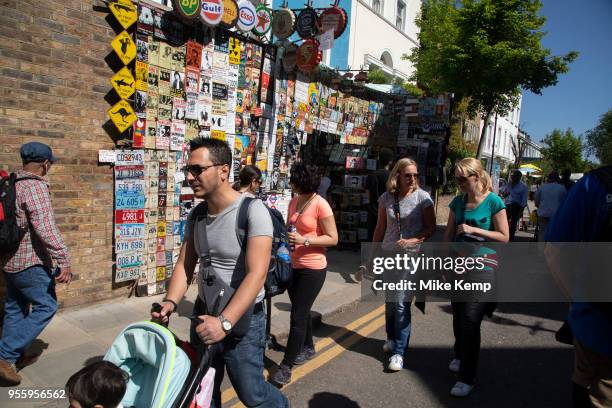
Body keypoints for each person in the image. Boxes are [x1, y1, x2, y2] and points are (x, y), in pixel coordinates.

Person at [151, 138, 288, 407]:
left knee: (253, 395)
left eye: (197, 169)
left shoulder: (252, 211)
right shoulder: (197, 215)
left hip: (244, 320)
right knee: (202, 392)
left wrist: (224, 323)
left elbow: (257, 274)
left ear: (223, 171)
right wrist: (170, 302)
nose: (190, 177)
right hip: (204, 315)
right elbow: (184, 265)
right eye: (188, 170)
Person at [0, 142, 72, 385]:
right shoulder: (34, 187)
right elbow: (46, 228)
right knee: (46, 307)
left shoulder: (12, 183)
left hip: (9, 261)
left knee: (15, 307)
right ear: (45, 164)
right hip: (30, 262)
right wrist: (63, 258)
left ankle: (11, 357)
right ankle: (5, 354)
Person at [544, 165, 612, 408]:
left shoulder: (596, 183)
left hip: (598, 322)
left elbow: (555, 249)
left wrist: (577, 296)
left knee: (595, 390)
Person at [444, 157, 509, 397]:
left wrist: (474, 229)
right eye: (456, 178)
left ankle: (466, 378)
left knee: (471, 321)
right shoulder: (457, 202)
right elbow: (448, 235)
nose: (459, 183)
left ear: (477, 176)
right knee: (459, 316)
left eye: (463, 178)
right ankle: (460, 354)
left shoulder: (494, 202)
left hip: (483, 268)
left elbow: (504, 236)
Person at [271, 162, 338, 386]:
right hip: (292, 265)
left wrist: (305, 240)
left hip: (313, 268)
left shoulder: (321, 205)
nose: (289, 181)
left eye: (292, 178)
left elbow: (333, 238)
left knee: (297, 316)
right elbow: (290, 229)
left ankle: (287, 366)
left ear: (302, 180)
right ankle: (308, 346)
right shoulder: (294, 200)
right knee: (303, 311)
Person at [372, 158, 436, 371]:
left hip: (411, 257)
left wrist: (412, 240)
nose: (412, 179)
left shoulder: (423, 198)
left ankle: (399, 352)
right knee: (390, 302)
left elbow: (431, 228)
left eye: (415, 175)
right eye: (408, 175)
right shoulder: (386, 198)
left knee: (401, 303)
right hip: (389, 255)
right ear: (397, 175)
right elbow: (380, 228)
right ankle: (391, 337)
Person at [365, 148, 394, 241]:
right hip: (388, 213)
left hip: (373, 212)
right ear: (390, 162)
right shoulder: (392, 177)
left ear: (378, 160)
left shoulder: (371, 175)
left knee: (372, 239)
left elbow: (368, 196)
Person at [534, 171, 566, 241]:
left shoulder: (542, 187)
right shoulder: (562, 188)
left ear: (548, 178)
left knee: (542, 232)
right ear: (557, 178)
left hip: (543, 213)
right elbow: (564, 202)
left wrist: (540, 207)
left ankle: (541, 250)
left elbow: (536, 200)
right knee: (553, 233)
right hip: (555, 214)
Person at [502, 170, 528, 241]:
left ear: (519, 177)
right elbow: (503, 194)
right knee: (504, 222)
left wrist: (521, 211)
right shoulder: (508, 184)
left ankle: (510, 238)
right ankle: (504, 235)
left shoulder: (523, 187)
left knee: (513, 223)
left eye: (514, 176)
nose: (512, 178)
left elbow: (524, 200)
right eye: (512, 176)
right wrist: (504, 194)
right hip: (507, 205)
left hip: (516, 206)